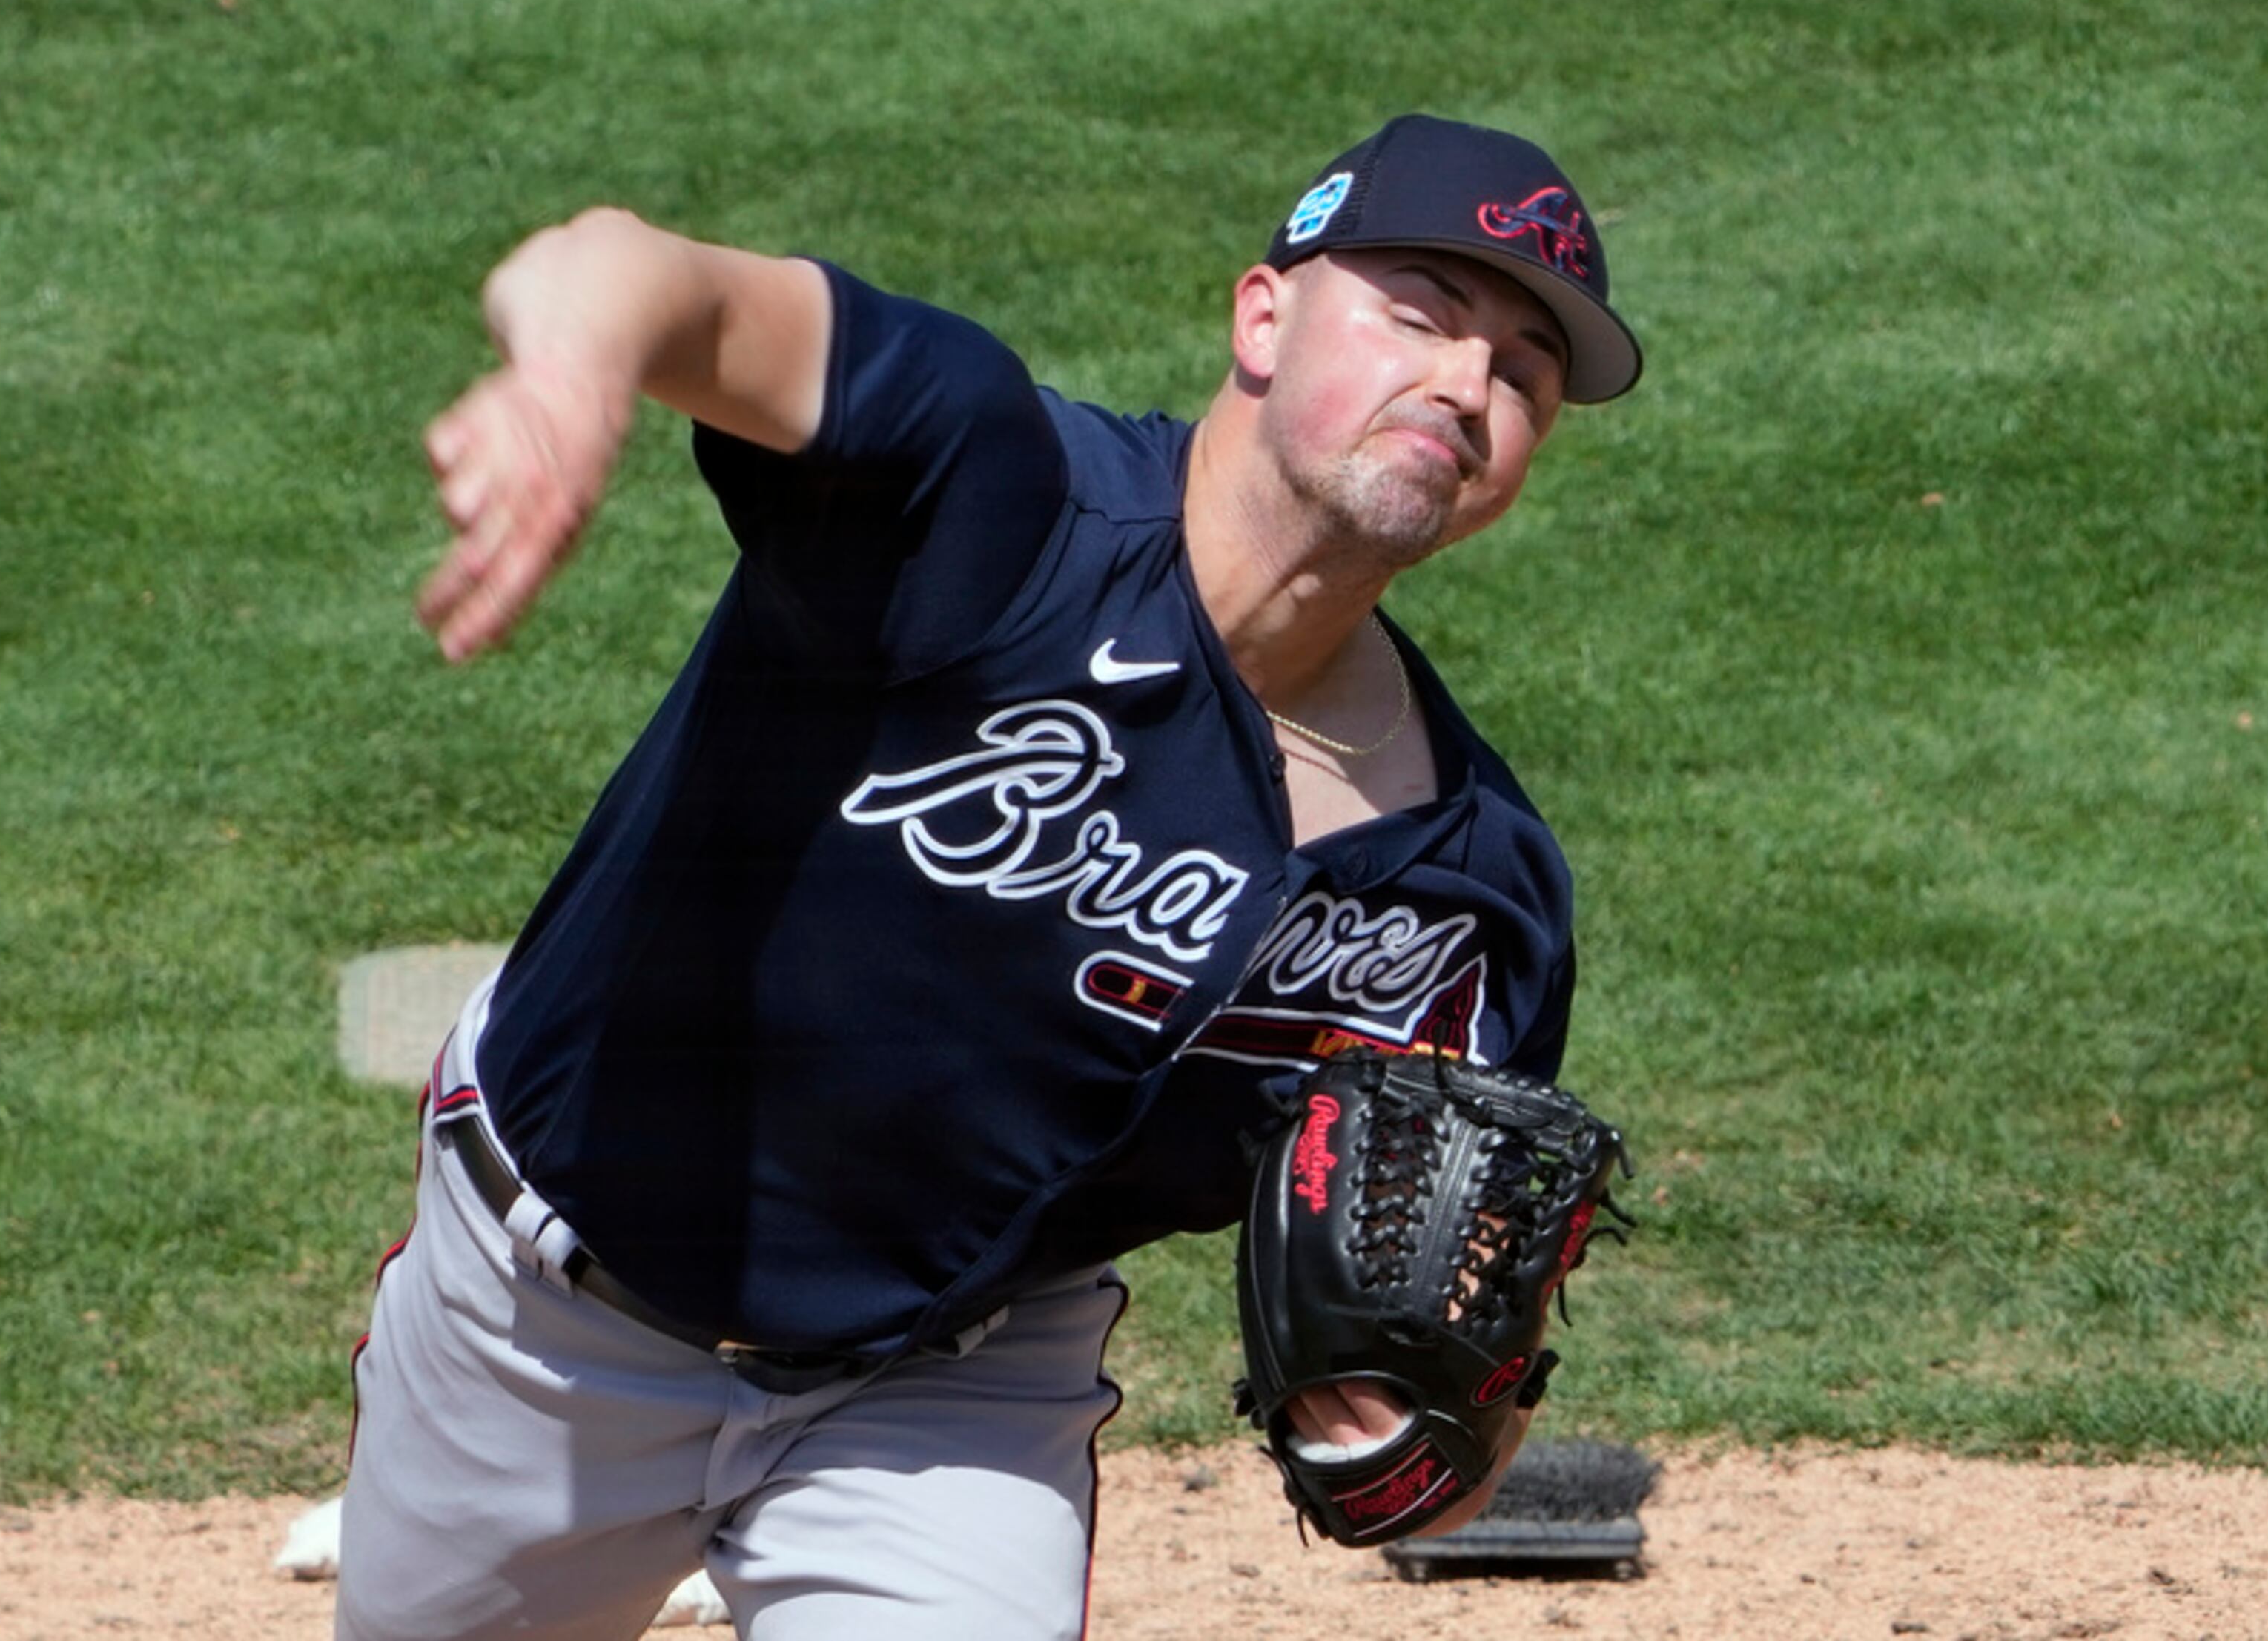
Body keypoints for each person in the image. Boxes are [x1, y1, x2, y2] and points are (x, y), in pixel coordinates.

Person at [336, 114, 1644, 1641]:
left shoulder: (1465, 898)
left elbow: (1458, 1365)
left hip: (952, 1392)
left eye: (1525, 375)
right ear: (1264, 318)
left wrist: (1416, 1428)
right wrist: (568, 381)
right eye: (1421, 314)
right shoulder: (981, 486)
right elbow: (619, 262)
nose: (1467, 383)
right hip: (546, 1317)